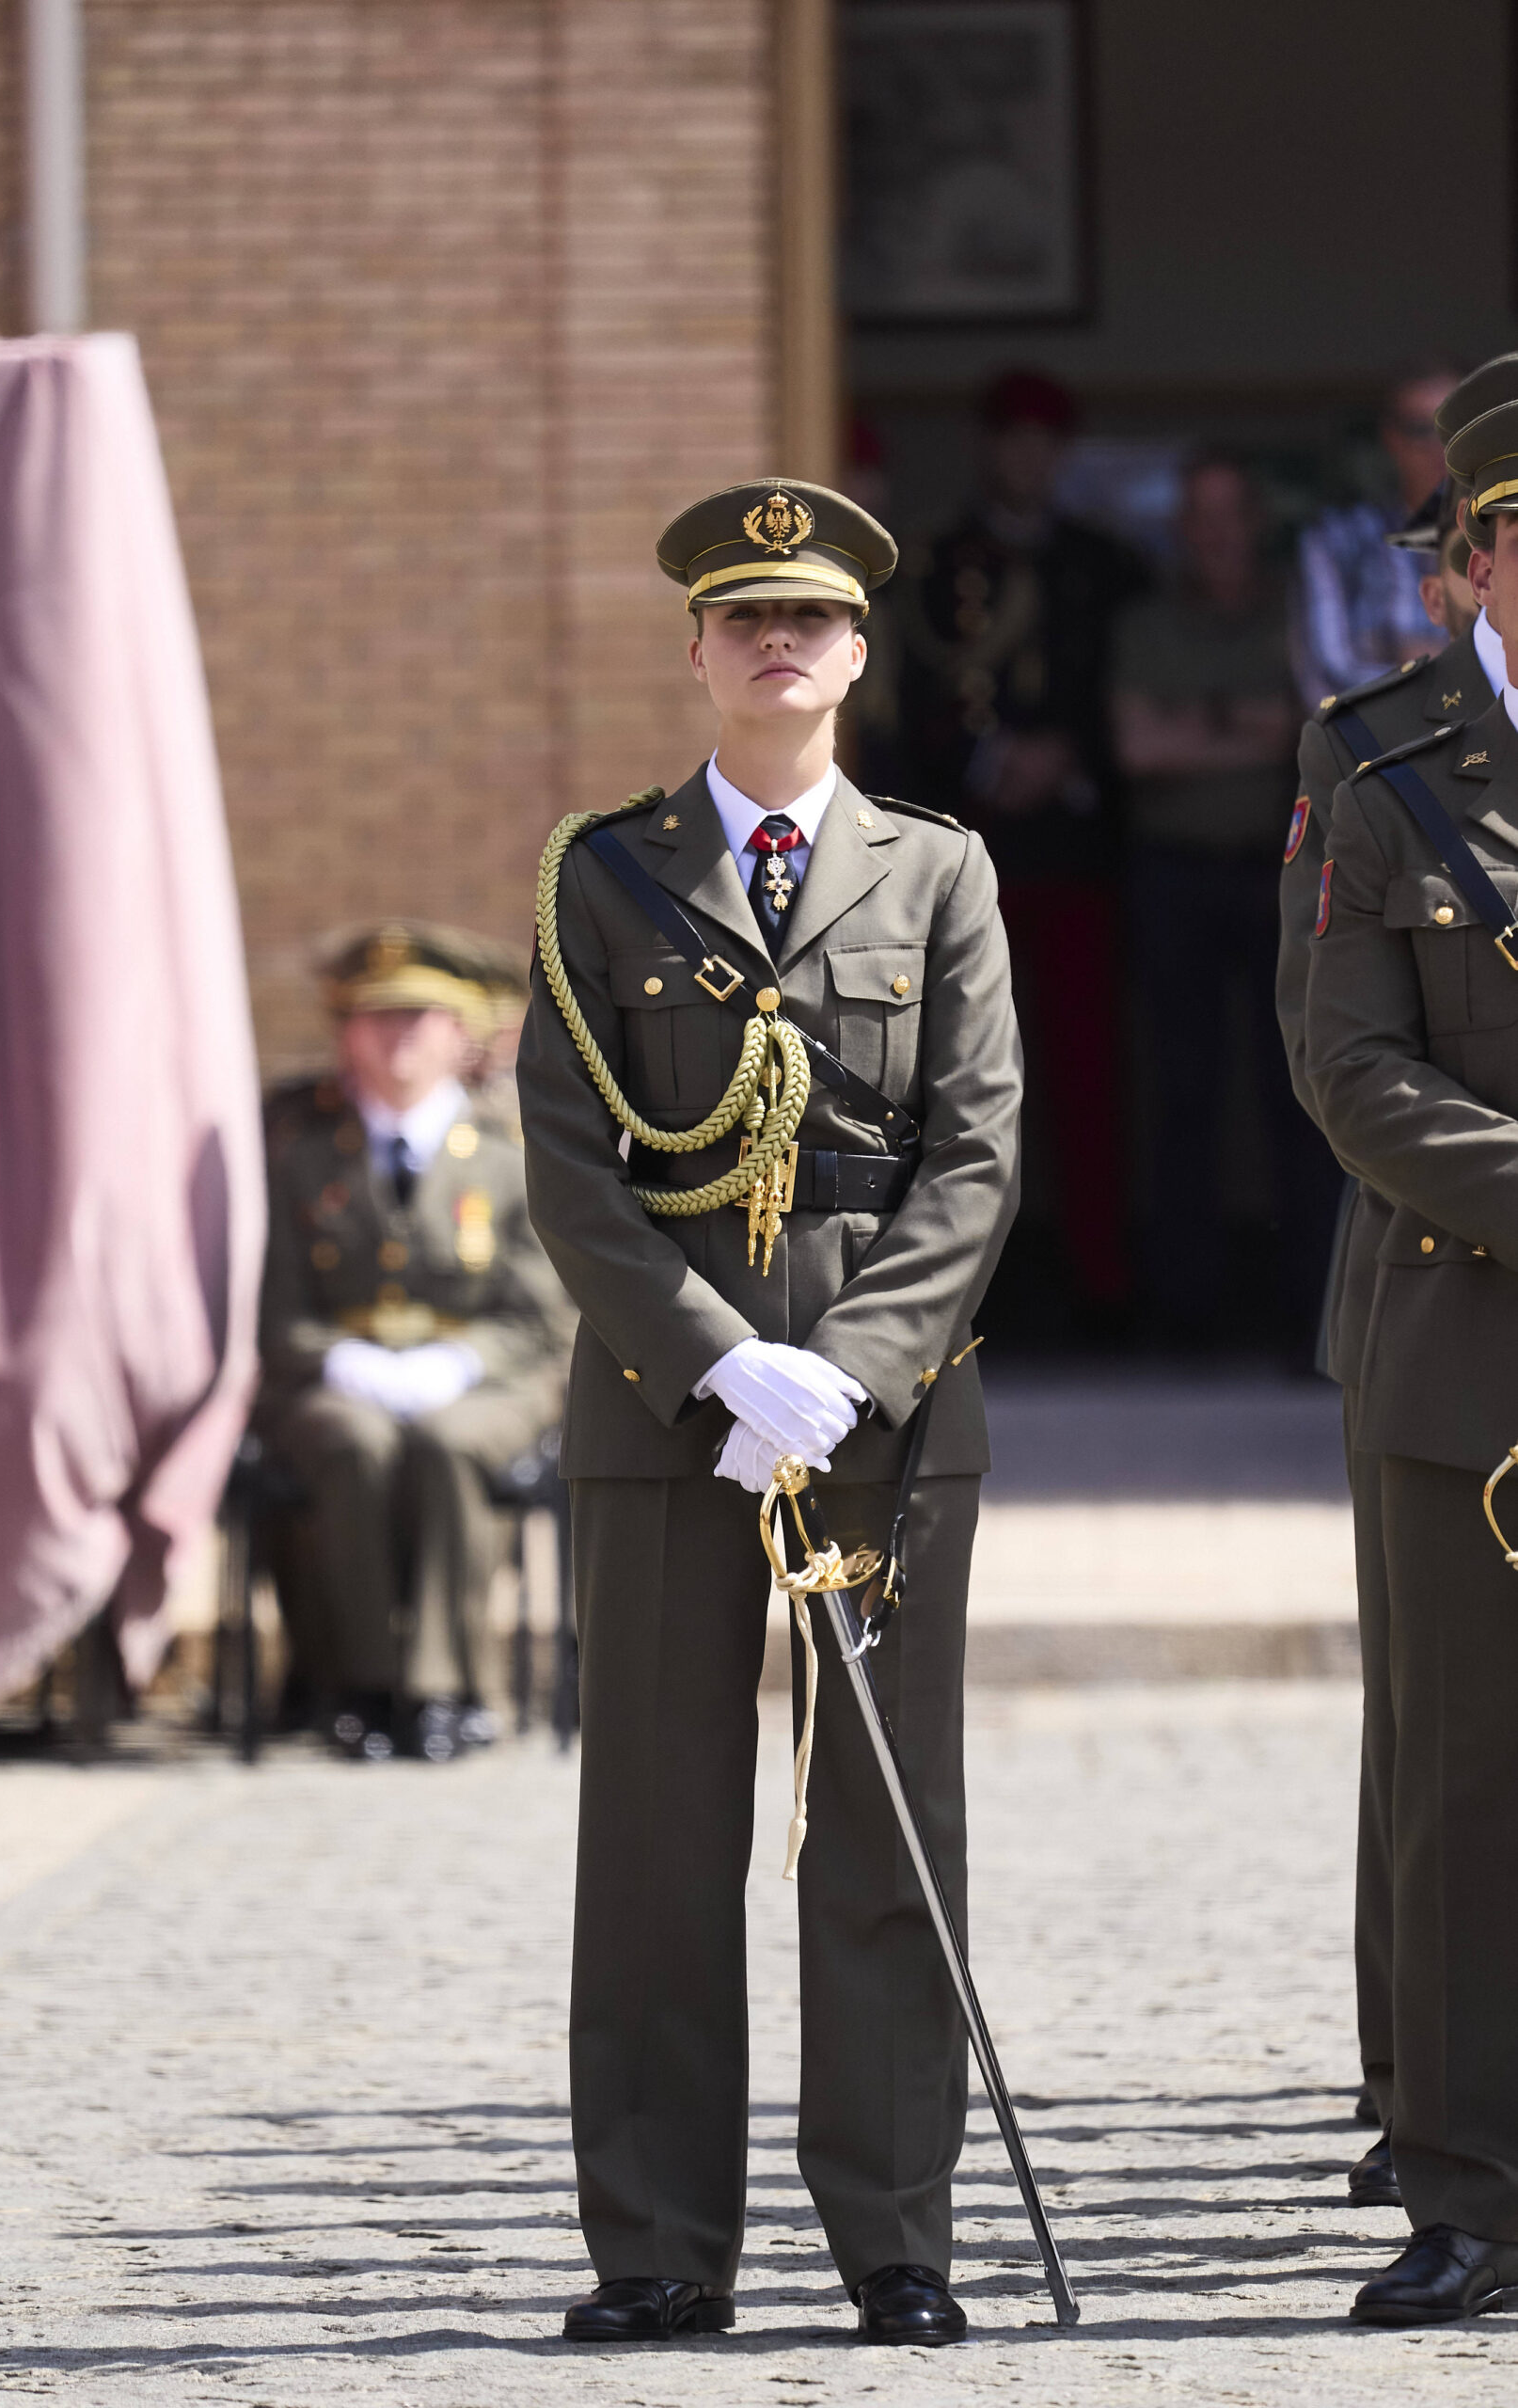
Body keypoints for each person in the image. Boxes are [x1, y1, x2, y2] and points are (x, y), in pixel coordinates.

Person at [517, 481, 1022, 2345]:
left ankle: (895, 2233)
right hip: (671, 1413)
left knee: (883, 1833)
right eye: (744, 619)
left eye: (809, 618)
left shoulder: (938, 870)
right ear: (697, 649)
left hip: (886, 1421)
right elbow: (572, 1165)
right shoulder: (602, 870)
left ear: (861, 650)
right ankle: (657, 2240)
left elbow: (974, 1153)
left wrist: (853, 1366)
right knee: (656, 1828)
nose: (778, 644)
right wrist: (720, 1358)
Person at [1305, 358, 1518, 2324]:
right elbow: (1347, 1061)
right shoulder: (1374, 763)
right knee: (1461, 1779)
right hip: (1467, 1331)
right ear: (1469, 561)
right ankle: (1464, 2182)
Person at [257, 924, 573, 1761]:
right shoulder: (298, 1151)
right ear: (343, 1033)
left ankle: (450, 1687)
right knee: (354, 1444)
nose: (397, 1036)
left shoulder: (511, 1153)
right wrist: (338, 1360)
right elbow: (274, 1304)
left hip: (485, 1382)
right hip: (333, 1378)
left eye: (420, 1017)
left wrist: (460, 1364)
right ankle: (357, 1685)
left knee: (447, 1443)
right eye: (376, 1017)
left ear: (460, 1032)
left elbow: (542, 1315)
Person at [896, 370, 1146, 1336]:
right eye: (1013, 438)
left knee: (1090, 1077)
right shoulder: (927, 562)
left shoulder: (1107, 564)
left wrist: (1069, 754)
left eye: (1048, 440)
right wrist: (992, 755)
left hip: (1079, 853)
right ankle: (961, 1290)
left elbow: (1122, 687)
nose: (1029, 457)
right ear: (985, 447)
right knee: (960, 1081)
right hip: (969, 855)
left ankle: (1101, 1282)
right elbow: (906, 694)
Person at [1112, 450, 1332, 1349]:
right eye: (1196, 517)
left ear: (1255, 522)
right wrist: (1244, 722)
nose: (1213, 535)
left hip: (1280, 872)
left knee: (1301, 1094)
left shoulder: (1297, 608)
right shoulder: (1142, 622)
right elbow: (1136, 748)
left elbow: (1305, 722)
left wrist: (1192, 722)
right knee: (1181, 1091)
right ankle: (1183, 1314)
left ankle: (1306, 1311)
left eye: (1227, 515)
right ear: (1178, 530)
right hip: (1172, 873)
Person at [1290, 363, 1461, 710]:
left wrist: (1393, 648)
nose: (1440, 447)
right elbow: (1331, 681)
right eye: (1421, 430)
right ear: (1391, 439)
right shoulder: (1336, 541)